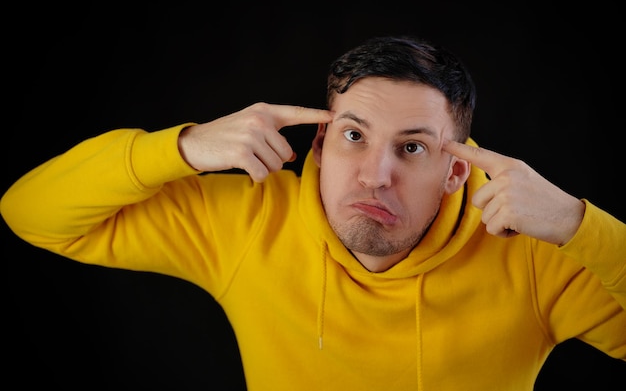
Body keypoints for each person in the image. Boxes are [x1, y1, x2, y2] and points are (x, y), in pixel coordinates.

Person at [1, 35, 624, 390]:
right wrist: (182, 147)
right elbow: (31, 211)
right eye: (353, 136)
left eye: (412, 148)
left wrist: (578, 223)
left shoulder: (537, 257)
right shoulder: (249, 222)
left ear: (457, 170)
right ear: (320, 147)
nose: (375, 174)